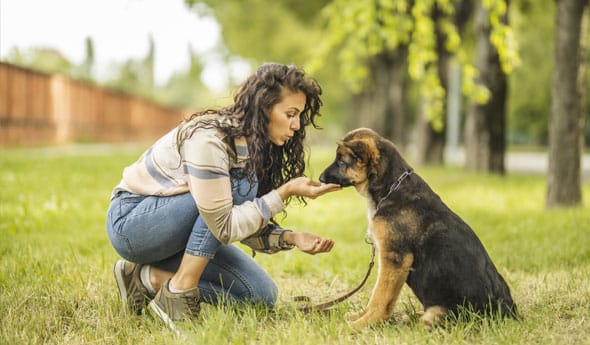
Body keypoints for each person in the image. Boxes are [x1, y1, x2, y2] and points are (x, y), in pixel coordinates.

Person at [106, 63, 341, 327]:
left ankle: (146, 279)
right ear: (264, 107)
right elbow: (224, 225)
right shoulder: (210, 139)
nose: (297, 125)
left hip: (180, 233)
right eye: (290, 114)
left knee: (260, 296)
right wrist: (283, 193)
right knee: (236, 186)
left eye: (299, 116)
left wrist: (292, 237)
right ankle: (180, 290)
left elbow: (238, 217)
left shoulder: (252, 149)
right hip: (133, 226)